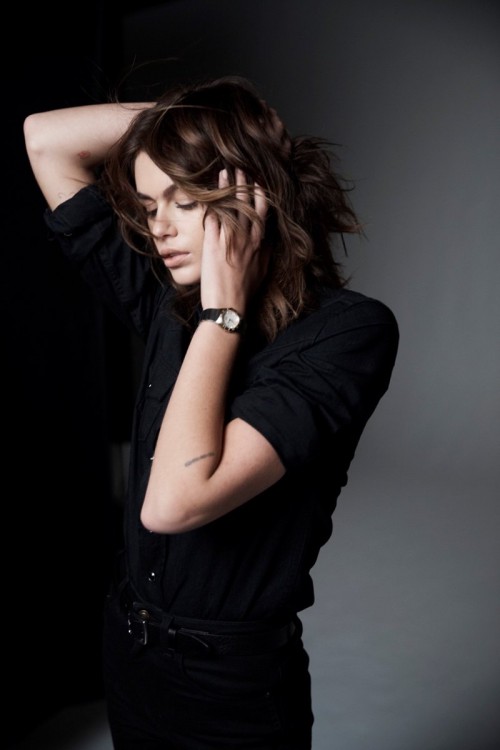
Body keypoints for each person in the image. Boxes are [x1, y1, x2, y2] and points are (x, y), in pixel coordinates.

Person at [24, 75, 399, 749]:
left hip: (230, 686)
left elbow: (174, 504)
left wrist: (223, 314)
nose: (158, 227)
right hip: (130, 652)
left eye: (183, 199)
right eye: (148, 204)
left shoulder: (348, 334)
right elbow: (45, 140)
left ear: (252, 195)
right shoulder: (168, 301)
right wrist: (209, 121)